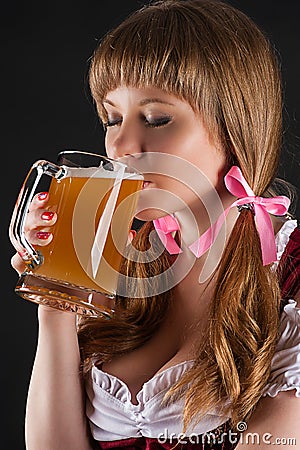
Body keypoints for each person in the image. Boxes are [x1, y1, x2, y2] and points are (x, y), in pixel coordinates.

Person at [10, 0, 300, 449]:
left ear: (235, 125)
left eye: (157, 118)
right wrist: (57, 306)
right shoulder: (118, 257)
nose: (120, 144)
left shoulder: (291, 270)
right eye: (112, 118)